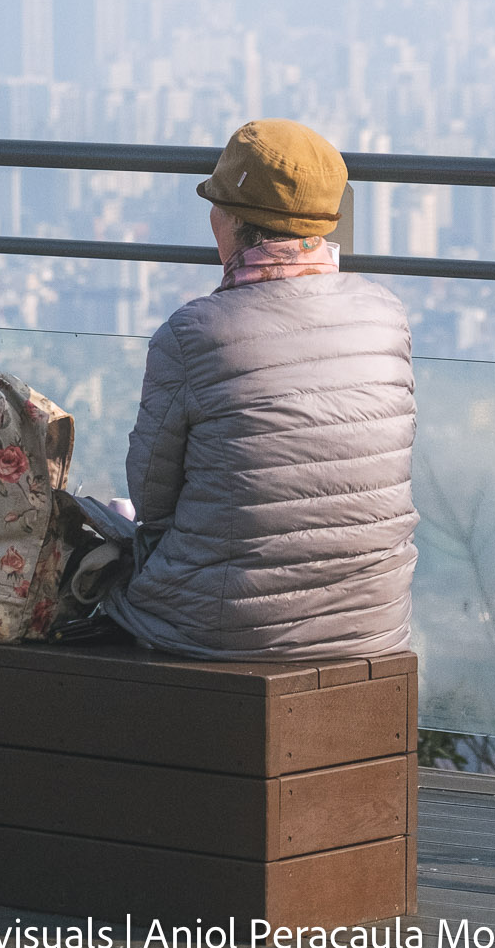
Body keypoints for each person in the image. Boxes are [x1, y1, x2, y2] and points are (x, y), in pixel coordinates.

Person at [102, 119, 418, 659]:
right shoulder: (387, 316)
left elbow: (151, 498)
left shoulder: (193, 334)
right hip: (375, 625)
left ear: (230, 219)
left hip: (219, 627)